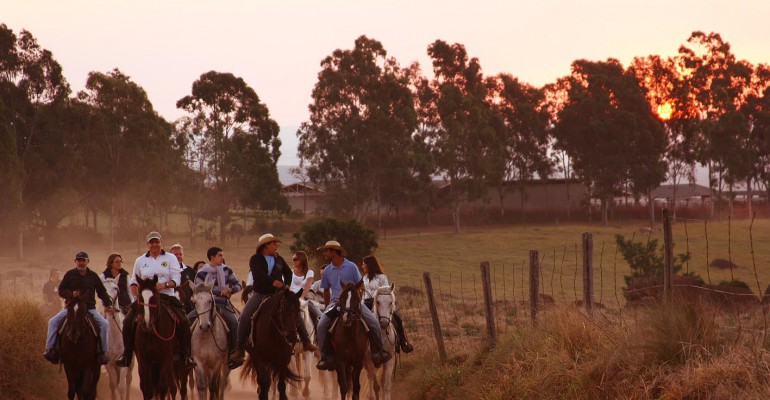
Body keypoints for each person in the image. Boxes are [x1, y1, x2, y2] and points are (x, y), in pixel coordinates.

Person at [229, 233, 316, 368]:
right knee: (245, 316)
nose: (276, 246)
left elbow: (288, 273)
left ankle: (306, 341)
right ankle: (239, 349)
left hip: (278, 294)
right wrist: (272, 282)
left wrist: (286, 286)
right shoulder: (255, 259)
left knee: (294, 311)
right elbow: (258, 274)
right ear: (266, 246)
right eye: (274, 244)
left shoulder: (279, 259)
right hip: (260, 293)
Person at [114, 231, 196, 369]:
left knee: (184, 321)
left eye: (157, 241)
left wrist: (164, 285)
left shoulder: (170, 258)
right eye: (151, 242)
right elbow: (134, 281)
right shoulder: (140, 260)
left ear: (161, 242)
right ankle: (127, 354)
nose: (154, 244)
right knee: (128, 321)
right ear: (147, 244)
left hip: (166, 296)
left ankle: (185, 355)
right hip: (145, 298)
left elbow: (176, 278)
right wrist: (136, 297)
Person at [314, 241, 392, 371]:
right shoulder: (327, 270)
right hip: (335, 302)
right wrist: (328, 307)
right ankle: (326, 357)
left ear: (334, 251)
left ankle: (378, 352)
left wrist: (357, 299)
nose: (324, 253)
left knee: (373, 322)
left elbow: (360, 285)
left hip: (354, 302)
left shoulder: (351, 267)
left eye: (326, 251)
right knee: (321, 325)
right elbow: (326, 290)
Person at [43, 251, 112, 365]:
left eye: (83, 260)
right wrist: (70, 294)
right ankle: (51, 350)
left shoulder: (93, 276)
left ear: (87, 262)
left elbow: (102, 292)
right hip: (70, 308)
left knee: (104, 324)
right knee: (52, 322)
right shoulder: (69, 274)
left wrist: (108, 304)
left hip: (89, 308)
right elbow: (61, 290)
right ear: (75, 262)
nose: (81, 263)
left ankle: (102, 352)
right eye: (79, 260)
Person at [188, 247, 241, 361]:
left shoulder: (227, 270)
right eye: (220, 255)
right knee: (187, 320)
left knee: (235, 323)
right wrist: (218, 292)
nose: (222, 258)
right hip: (204, 305)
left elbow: (238, 285)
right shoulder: (202, 272)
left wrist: (230, 290)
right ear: (212, 257)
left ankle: (235, 352)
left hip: (223, 304)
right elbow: (198, 290)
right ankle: (187, 354)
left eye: (222, 255)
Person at [361, 255, 413, 353]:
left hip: (380, 304)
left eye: (363, 264)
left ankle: (403, 342)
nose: (362, 266)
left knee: (397, 319)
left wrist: (377, 300)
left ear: (369, 265)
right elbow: (363, 293)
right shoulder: (364, 278)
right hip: (366, 304)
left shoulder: (382, 277)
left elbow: (386, 291)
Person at [290, 251, 322, 344]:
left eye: (295, 259)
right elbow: (289, 285)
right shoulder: (291, 272)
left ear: (302, 260)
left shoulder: (309, 272)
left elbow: (307, 286)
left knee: (319, 315)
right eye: (292, 259)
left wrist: (301, 298)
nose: (293, 261)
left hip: (306, 296)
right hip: (292, 297)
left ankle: (318, 339)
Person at [170, 243, 196, 314]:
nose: (179, 256)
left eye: (180, 254)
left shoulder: (190, 270)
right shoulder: (166, 271)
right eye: (176, 254)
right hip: (172, 308)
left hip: (189, 308)